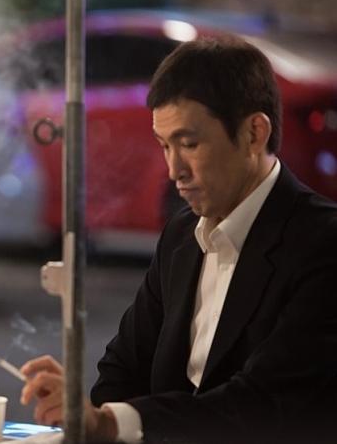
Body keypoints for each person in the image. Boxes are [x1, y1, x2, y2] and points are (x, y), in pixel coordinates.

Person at [20, 36, 337, 443]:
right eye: (164, 146)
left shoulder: (321, 243)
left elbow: (262, 405)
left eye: (189, 144)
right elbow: (122, 369)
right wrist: (85, 415)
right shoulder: (181, 235)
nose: (174, 171)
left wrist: (110, 422)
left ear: (254, 133)